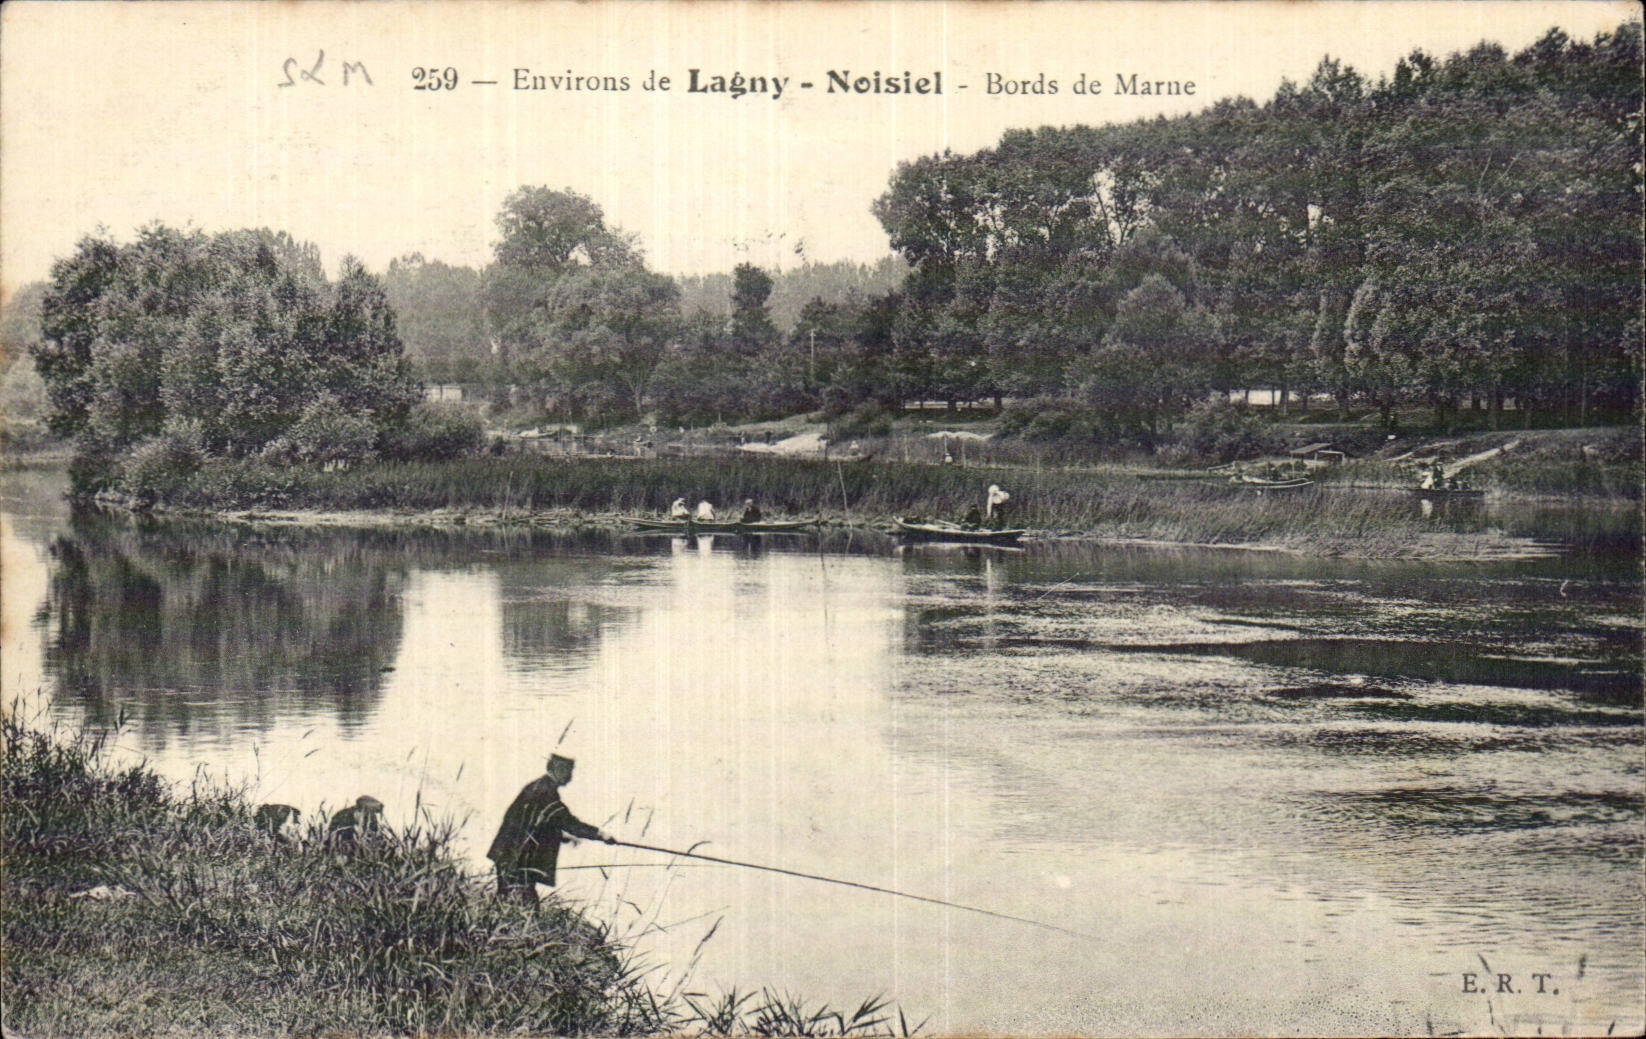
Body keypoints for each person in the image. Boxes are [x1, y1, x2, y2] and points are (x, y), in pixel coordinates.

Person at [487, 754, 614, 905]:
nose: (570, 776)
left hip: (509, 855)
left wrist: (560, 836)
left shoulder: (537, 786)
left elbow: (533, 822)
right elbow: (568, 822)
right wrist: (601, 834)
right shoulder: (546, 793)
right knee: (524, 905)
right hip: (518, 860)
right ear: (559, 769)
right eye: (569, 771)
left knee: (508, 900)